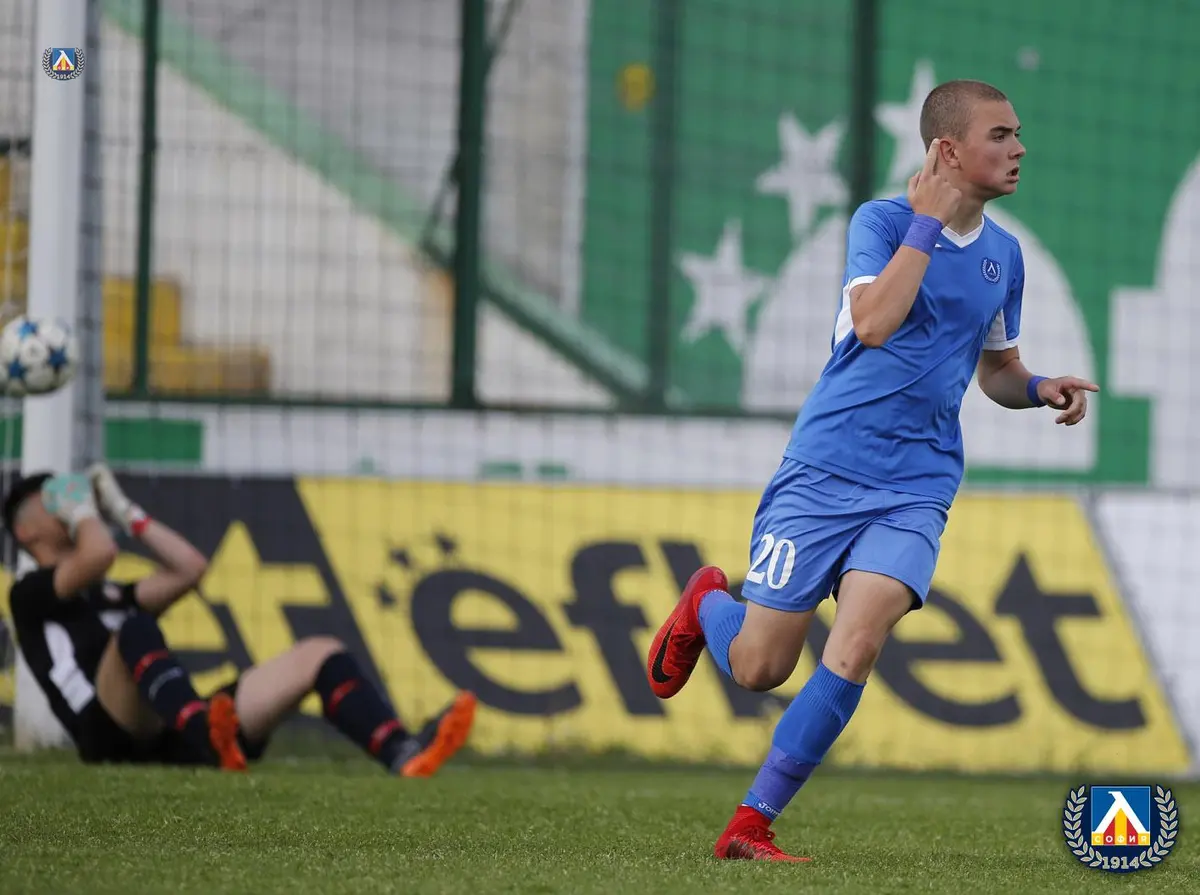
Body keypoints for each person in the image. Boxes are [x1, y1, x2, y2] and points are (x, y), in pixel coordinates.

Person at [645, 79, 1099, 861]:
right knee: (759, 667)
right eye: (1000, 135)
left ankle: (751, 823)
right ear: (947, 149)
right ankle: (707, 602)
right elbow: (875, 322)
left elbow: (996, 368)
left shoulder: (1005, 256)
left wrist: (1037, 387)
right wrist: (926, 224)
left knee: (857, 644)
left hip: (917, 485)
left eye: (1017, 133)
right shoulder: (883, 223)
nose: (1019, 148)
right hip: (826, 467)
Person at [4, 463, 477, 775]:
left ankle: (403, 753)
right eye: (52, 499)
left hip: (174, 730)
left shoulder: (105, 592)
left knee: (320, 654)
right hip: (106, 736)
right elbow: (100, 554)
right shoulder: (28, 593)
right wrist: (85, 513)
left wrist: (127, 513)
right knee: (136, 628)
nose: (65, 501)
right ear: (25, 531)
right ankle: (204, 733)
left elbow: (190, 569)